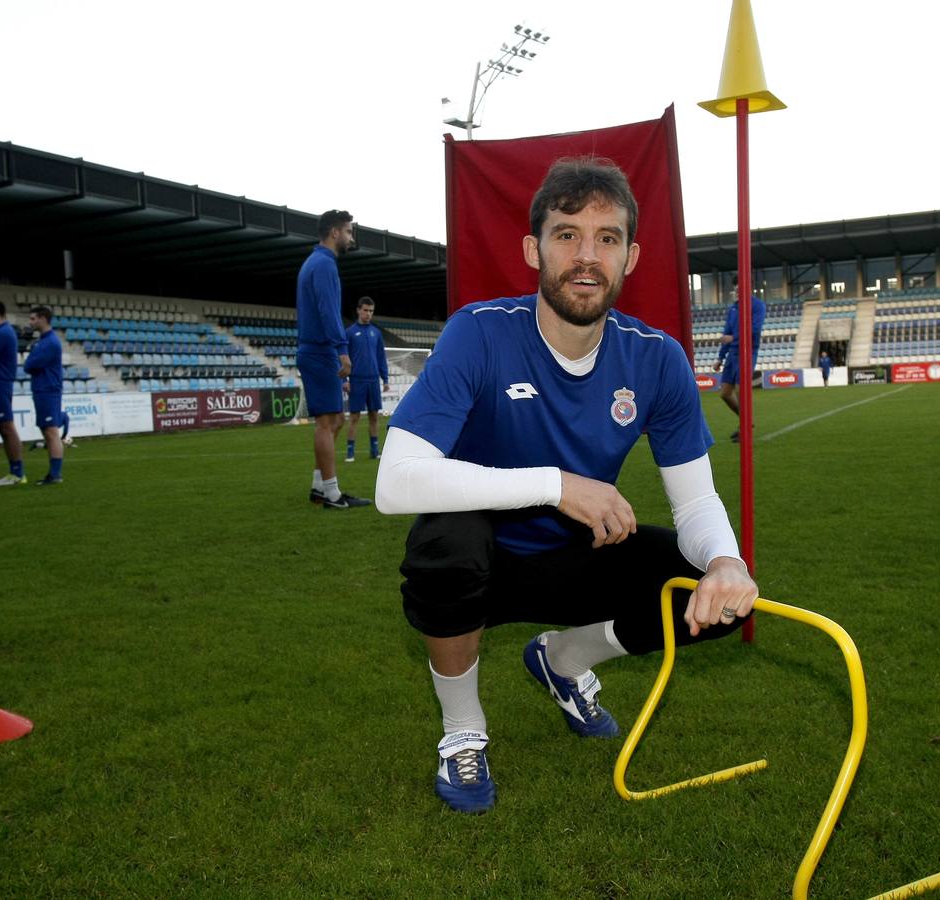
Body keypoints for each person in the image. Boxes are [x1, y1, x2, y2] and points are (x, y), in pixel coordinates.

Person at [374, 157, 758, 814]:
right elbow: (394, 483)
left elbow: (695, 500)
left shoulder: (656, 357)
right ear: (534, 249)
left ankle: (563, 659)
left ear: (631, 256)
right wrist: (554, 485)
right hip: (482, 555)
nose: (587, 256)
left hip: (576, 557)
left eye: (607, 238)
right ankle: (463, 729)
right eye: (566, 235)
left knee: (718, 599)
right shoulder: (479, 331)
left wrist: (725, 561)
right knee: (446, 542)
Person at [296, 209, 369, 509]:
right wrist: (342, 350)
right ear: (335, 232)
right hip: (320, 351)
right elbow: (327, 311)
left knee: (336, 419)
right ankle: (333, 495)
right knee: (327, 422)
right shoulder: (324, 265)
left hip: (317, 350)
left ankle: (319, 487)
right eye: (349, 231)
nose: (351, 238)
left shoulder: (316, 262)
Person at [713, 276, 766, 441]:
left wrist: (733, 338)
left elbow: (755, 329)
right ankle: (746, 422)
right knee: (725, 393)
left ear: (747, 287)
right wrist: (720, 357)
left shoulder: (757, 305)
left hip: (747, 351)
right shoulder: (733, 308)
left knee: (740, 389)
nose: (737, 291)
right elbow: (726, 334)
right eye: (735, 288)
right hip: (732, 353)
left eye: (739, 288)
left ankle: (745, 428)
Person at [0, 300, 27, 486]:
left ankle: (18, 473)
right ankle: (14, 472)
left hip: (0, 384)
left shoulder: (2, 333)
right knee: (3, 427)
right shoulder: (2, 332)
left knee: (7, 427)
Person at [343, 296, 390, 462]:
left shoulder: (376, 333)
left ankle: (374, 450)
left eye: (371, 311)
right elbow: (342, 357)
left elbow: (380, 357)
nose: (368, 314)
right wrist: (344, 380)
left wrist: (385, 379)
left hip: (373, 380)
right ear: (358, 310)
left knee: (374, 416)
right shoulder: (349, 332)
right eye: (365, 310)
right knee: (354, 417)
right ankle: (350, 452)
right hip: (356, 380)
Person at [24, 305, 65, 485]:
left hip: (48, 389)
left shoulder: (50, 343)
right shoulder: (42, 341)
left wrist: (30, 361)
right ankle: (53, 473)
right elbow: (30, 365)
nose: (31, 322)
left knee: (51, 431)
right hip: (42, 389)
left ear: (42, 318)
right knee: (47, 431)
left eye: (33, 318)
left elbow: (29, 366)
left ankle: (55, 475)